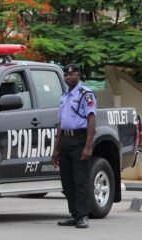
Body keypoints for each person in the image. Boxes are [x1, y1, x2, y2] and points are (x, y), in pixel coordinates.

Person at [52, 63, 96, 229]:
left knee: (81, 180)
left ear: (78, 75)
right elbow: (61, 124)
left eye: (71, 74)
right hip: (65, 141)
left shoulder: (86, 94)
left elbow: (91, 119)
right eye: (66, 75)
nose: (68, 77)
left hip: (79, 140)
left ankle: (83, 215)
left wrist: (88, 146)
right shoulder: (64, 96)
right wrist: (56, 148)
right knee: (67, 181)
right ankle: (74, 214)